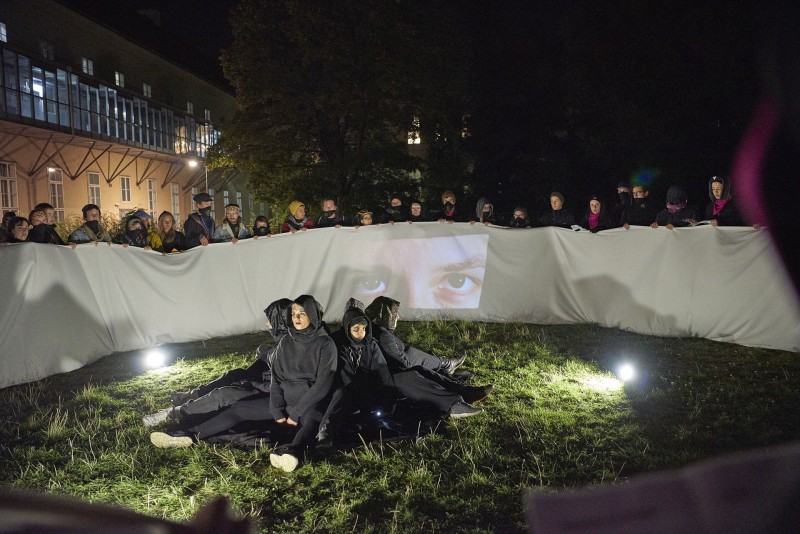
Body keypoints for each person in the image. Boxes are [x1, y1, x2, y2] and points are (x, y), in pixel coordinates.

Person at [147, 299, 294, 448]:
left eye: (270, 320)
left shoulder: (291, 348)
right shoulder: (287, 342)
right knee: (235, 376)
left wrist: (252, 383)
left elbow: (282, 385)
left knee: (225, 395)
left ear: (280, 321)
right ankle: (185, 412)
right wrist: (265, 356)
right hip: (270, 391)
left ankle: (177, 420)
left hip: (276, 398)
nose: (267, 324)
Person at [364, 297, 493, 404]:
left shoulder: (372, 329)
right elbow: (402, 363)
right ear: (385, 315)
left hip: (395, 367)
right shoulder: (383, 335)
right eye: (394, 314)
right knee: (423, 368)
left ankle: (449, 370)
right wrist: (411, 363)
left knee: (415, 355)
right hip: (398, 373)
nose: (398, 317)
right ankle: (460, 386)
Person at [268, 295, 337, 472]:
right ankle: (196, 431)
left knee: (312, 421)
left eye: (302, 313)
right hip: (287, 402)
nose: (297, 317)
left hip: (309, 404)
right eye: (293, 313)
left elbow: (322, 385)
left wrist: (295, 414)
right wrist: (277, 411)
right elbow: (276, 379)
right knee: (239, 410)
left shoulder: (326, 344)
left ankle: (292, 453)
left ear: (312, 315)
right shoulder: (285, 341)